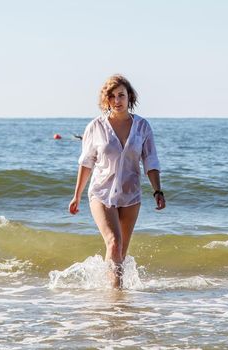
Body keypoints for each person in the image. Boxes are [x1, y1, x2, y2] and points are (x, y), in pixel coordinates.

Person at [69, 74, 166, 288]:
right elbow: (86, 163)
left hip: (131, 195)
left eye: (121, 95)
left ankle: (112, 296)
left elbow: (150, 161)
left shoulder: (142, 127)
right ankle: (116, 299)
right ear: (106, 100)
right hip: (101, 193)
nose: (117, 101)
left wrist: (157, 191)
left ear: (129, 96)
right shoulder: (96, 127)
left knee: (120, 251)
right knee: (114, 243)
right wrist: (76, 196)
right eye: (111, 97)